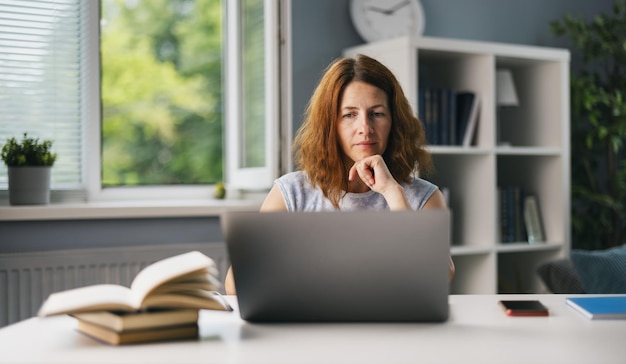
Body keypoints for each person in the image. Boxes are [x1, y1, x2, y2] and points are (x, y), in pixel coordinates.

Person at [224, 54, 454, 295]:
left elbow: (439, 276)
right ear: (330, 124)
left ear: (394, 122)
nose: (365, 128)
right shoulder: (292, 192)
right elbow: (236, 284)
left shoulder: (424, 196)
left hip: (392, 329)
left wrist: (392, 192)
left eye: (377, 113)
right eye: (349, 115)